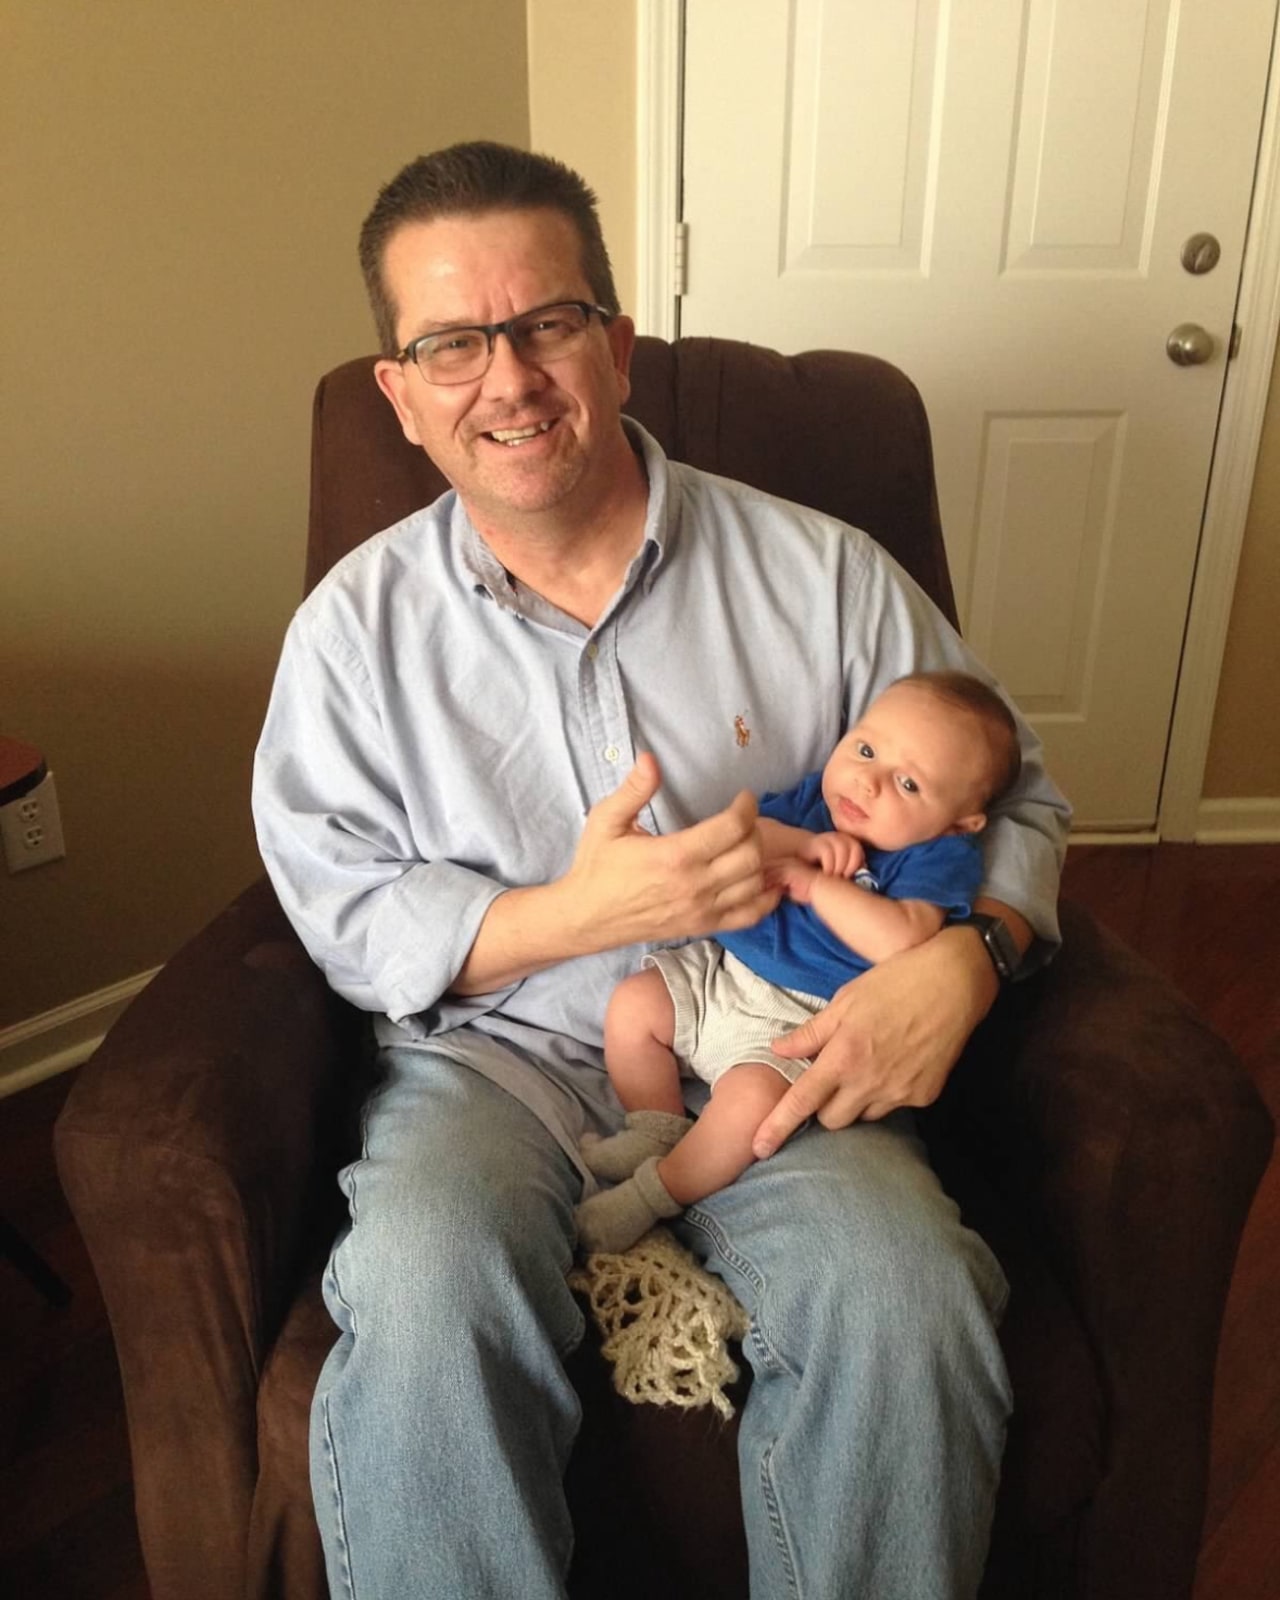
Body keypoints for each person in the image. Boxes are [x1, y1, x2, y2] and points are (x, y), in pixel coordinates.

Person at [252, 140, 1071, 1600]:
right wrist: (580, 915)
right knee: (427, 1289)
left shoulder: (824, 575)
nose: (506, 378)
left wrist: (977, 951)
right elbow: (335, 900)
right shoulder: (351, 634)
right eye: (450, 342)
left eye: (546, 322)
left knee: (906, 1298)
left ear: (616, 346)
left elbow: (1020, 796)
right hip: (492, 1066)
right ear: (401, 390)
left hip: (777, 1047)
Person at [575, 670, 1022, 1254]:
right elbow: (748, 837)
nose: (868, 783)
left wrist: (816, 888)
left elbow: (904, 939)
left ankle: (653, 1197)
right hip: (725, 968)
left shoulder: (937, 856)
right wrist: (801, 844)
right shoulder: (819, 802)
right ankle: (655, 1130)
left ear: (963, 820)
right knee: (634, 1007)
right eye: (865, 750)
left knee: (750, 1113)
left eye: (908, 784)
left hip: (798, 1021)